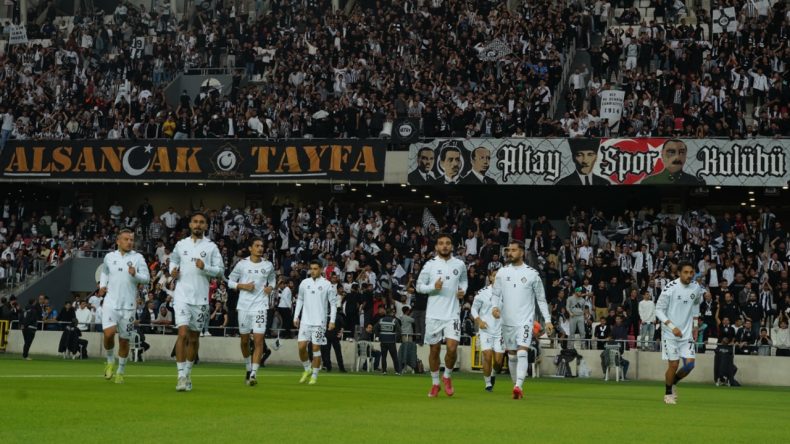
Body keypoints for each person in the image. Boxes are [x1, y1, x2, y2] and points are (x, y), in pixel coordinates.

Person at [170, 212, 224, 392]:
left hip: (200, 299)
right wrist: (173, 271)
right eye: (195, 222)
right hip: (182, 296)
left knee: (193, 339)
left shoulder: (211, 247)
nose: (198, 225)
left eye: (201, 222)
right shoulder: (181, 244)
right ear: (190, 224)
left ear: (206, 226)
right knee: (182, 334)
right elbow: (173, 261)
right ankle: (180, 376)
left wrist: (205, 267)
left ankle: (188, 373)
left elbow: (220, 271)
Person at [494, 240, 553, 400]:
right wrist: (494, 307)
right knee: (512, 355)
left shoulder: (532, 274)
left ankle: (519, 385)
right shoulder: (502, 272)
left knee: (521, 352)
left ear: (522, 252)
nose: (510, 253)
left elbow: (541, 299)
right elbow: (496, 294)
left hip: (525, 321)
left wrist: (547, 320)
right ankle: (516, 387)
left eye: (513, 250)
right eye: (509, 250)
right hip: (507, 321)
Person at [416, 233, 468, 397]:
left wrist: (463, 291)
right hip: (433, 315)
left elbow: (464, 281)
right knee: (434, 350)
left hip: (452, 313)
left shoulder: (459, 264)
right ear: (436, 247)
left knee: (452, 348)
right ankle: (435, 383)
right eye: (441, 243)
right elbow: (418, 286)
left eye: (447, 243)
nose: (444, 246)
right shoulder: (429, 265)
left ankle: (447, 376)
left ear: (451, 246)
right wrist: (433, 287)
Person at [98, 229, 150, 384]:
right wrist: (102, 286)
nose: (129, 242)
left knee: (124, 341)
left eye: (131, 239)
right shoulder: (109, 257)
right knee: (108, 334)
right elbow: (104, 272)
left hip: (128, 306)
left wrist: (135, 275)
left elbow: (146, 279)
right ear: (118, 241)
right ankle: (109, 361)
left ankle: (120, 371)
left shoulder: (138, 258)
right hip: (110, 303)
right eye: (126, 239)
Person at [228, 237, 276, 386]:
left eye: (262, 246)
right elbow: (230, 281)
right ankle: (248, 368)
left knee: (258, 341)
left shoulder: (268, 265)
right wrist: (242, 286)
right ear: (250, 248)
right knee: (244, 342)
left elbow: (273, 279)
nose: (260, 248)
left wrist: (271, 287)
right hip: (244, 307)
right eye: (257, 245)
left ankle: (254, 373)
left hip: (261, 307)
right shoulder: (242, 264)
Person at [655, 261, 704, 405]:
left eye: (691, 272)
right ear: (679, 273)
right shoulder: (670, 288)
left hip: (686, 333)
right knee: (674, 365)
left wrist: (695, 326)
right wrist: (672, 326)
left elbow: (695, 305)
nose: (689, 275)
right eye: (686, 272)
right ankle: (668, 393)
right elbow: (658, 310)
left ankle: (674, 381)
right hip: (670, 333)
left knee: (690, 365)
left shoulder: (696, 288)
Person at [294, 260, 338, 385]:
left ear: (321, 270)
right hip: (305, 321)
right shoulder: (304, 283)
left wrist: (332, 320)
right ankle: (307, 369)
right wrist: (296, 316)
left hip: (319, 322)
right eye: (311, 268)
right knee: (301, 347)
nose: (312, 271)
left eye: (315, 269)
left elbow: (333, 304)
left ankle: (314, 375)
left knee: (315, 348)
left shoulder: (327, 284)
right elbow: (300, 300)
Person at [471, 269, 504, 391]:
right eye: (495, 276)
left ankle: (493, 374)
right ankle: (488, 383)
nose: (497, 278)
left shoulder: (506, 294)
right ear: (490, 278)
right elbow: (473, 309)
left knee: (498, 362)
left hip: (500, 331)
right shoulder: (482, 293)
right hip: (486, 330)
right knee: (488, 356)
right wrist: (479, 321)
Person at [374, 307, 402, 375]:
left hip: (383, 341)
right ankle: (397, 371)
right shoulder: (394, 321)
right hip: (391, 341)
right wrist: (396, 339)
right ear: (391, 313)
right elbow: (399, 331)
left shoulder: (381, 320)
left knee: (383, 357)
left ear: (386, 313)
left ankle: (384, 371)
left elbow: (375, 328)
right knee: (394, 357)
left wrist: (377, 336)